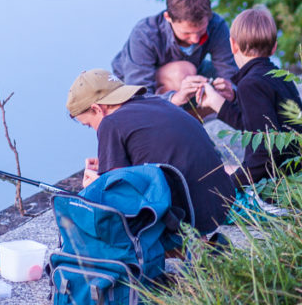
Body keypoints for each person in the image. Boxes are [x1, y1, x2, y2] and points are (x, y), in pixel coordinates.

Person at [66, 68, 234, 235]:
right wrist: (108, 162)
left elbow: (117, 191)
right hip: (220, 204)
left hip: (187, 219)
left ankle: (177, 247)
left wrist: (95, 185)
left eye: (89, 124)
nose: (94, 129)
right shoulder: (156, 101)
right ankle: (201, 245)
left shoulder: (110, 123)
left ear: (97, 109)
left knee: (101, 207)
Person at [196, 6, 302, 189]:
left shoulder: (250, 84)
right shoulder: (280, 76)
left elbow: (264, 152)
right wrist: (223, 103)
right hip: (298, 172)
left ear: (233, 45)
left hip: (275, 184)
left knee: (209, 181)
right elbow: (259, 128)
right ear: (274, 48)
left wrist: (232, 186)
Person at [111, 0, 237, 117]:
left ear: (209, 16)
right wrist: (176, 98)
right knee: (184, 71)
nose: (195, 39)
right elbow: (139, 93)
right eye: (186, 33)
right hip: (134, 87)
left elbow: (230, 72)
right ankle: (172, 120)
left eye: (201, 31)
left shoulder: (216, 25)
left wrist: (231, 92)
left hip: (191, 74)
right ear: (168, 17)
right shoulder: (144, 34)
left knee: (225, 81)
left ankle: (194, 120)